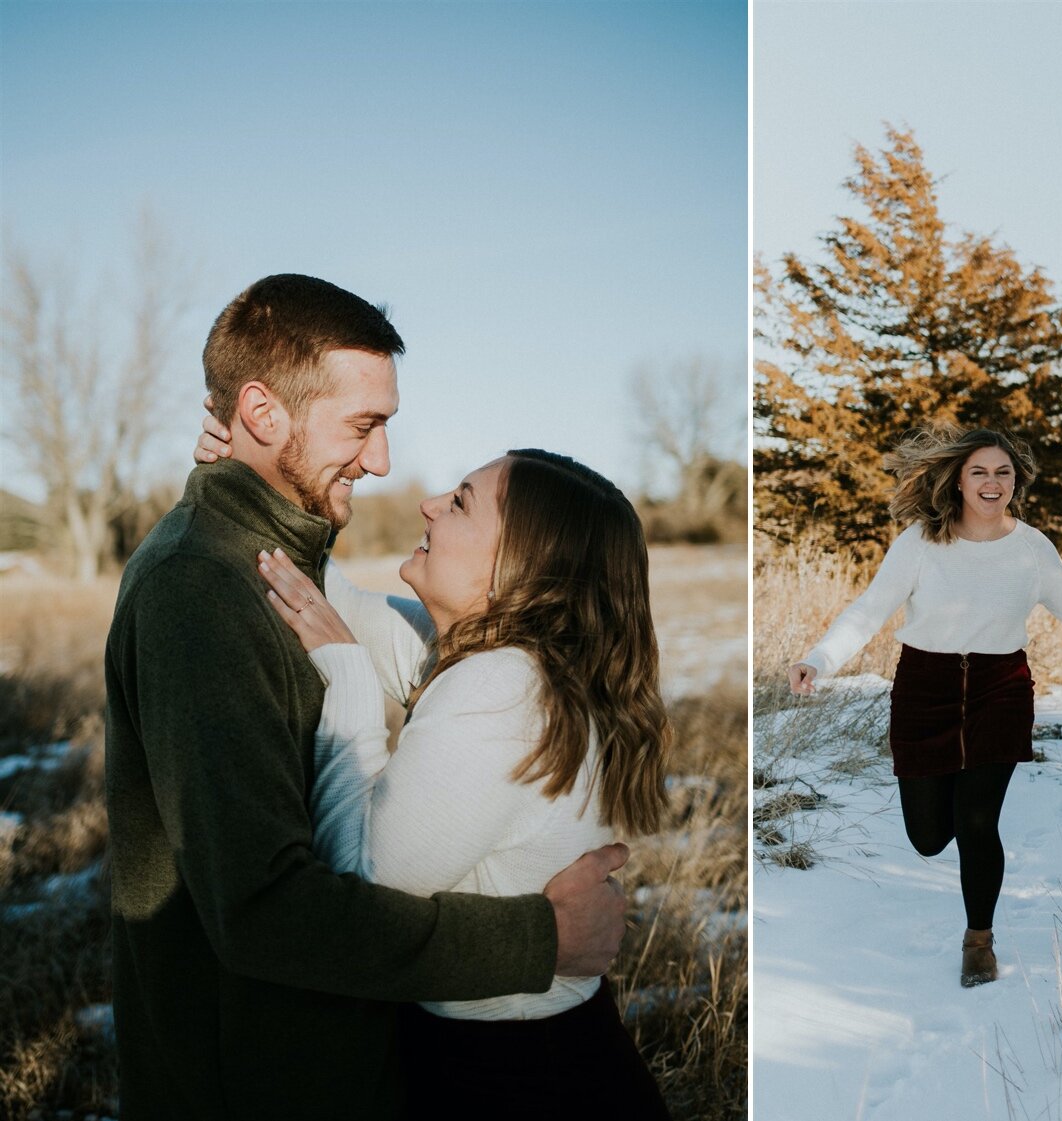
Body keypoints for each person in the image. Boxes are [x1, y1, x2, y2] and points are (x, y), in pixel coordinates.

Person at [105, 274, 628, 1121]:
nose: (383, 462)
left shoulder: (273, 566)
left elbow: (408, 636)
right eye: (364, 425)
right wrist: (539, 938)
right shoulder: (197, 591)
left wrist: (229, 476)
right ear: (264, 413)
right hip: (253, 1084)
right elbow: (264, 912)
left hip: (337, 1062)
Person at [218, 446, 673, 1118]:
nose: (429, 504)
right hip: (539, 1050)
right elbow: (319, 594)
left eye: (460, 501)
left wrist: (346, 677)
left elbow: (362, 885)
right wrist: (253, 476)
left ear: (519, 567)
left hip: (515, 1078)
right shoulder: (510, 665)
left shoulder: (506, 687)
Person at [787, 424, 1062, 986]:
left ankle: (978, 939)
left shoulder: (1032, 548)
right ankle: (962, 846)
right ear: (957, 481)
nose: (992, 482)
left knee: (978, 822)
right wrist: (821, 659)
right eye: (979, 471)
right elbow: (869, 609)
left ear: (1017, 481)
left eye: (1003, 472)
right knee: (929, 836)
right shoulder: (921, 541)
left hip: (999, 688)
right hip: (924, 689)